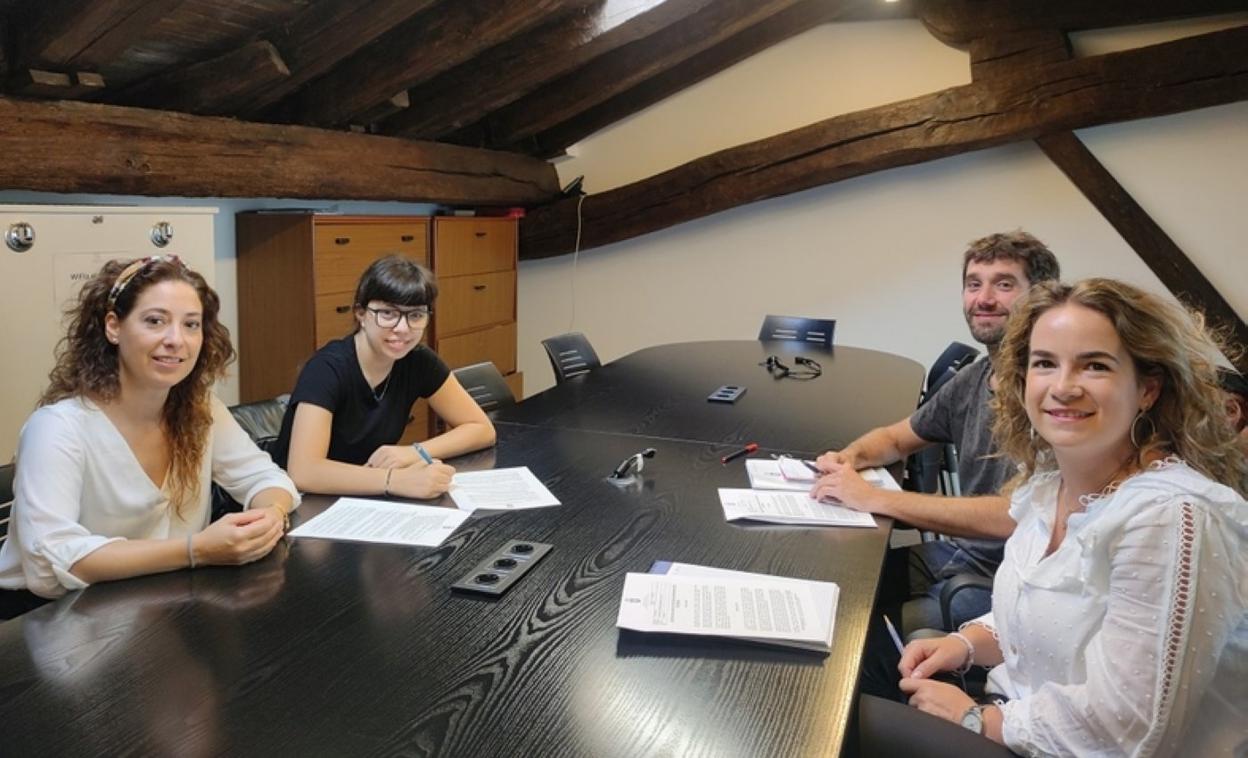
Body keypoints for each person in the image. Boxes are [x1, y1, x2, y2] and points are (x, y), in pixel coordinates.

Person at [876, 278, 1246, 757]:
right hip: (1020, 721)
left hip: (1066, 746)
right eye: (1045, 363)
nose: (1063, 387)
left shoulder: (1169, 518)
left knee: (851, 715)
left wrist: (976, 718)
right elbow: (1044, 619)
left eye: (1095, 365)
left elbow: (1129, 728)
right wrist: (966, 644)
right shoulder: (1049, 488)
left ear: (1148, 389)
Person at [0, 256, 298, 618]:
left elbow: (266, 478)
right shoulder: (57, 428)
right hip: (42, 620)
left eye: (191, 325)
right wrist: (197, 550)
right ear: (113, 327)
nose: (176, 340)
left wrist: (271, 514)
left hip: (155, 605)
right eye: (155, 321)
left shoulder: (200, 410)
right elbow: (50, 562)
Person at [812, 231, 1060, 631]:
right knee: (835, 586)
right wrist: (849, 458)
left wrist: (875, 498)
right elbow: (895, 439)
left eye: (1004, 284)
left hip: (1012, 585)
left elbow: (1015, 515)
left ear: (1042, 296)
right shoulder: (976, 377)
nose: (984, 299)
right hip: (962, 557)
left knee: (857, 633)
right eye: (974, 284)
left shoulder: (1052, 395)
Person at [272, 255, 495, 499]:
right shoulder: (326, 368)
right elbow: (304, 472)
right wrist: (394, 480)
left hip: (366, 496)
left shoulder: (418, 361)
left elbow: (481, 429)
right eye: (388, 313)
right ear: (361, 313)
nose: (403, 328)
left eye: (415, 315)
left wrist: (414, 452)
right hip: (300, 501)